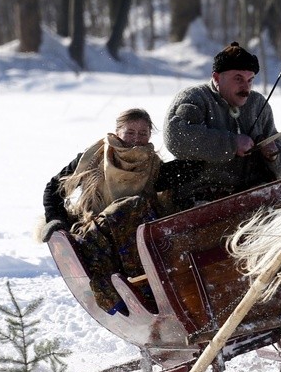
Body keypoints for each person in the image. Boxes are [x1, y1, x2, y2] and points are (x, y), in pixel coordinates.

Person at [40, 108, 197, 314]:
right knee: (132, 205)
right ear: (117, 132)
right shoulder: (95, 157)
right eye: (130, 132)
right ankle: (137, 290)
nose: (136, 139)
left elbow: (177, 178)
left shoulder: (152, 164)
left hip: (137, 230)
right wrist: (55, 220)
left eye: (143, 133)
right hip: (99, 227)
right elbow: (54, 188)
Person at [163, 42, 281, 209]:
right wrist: (231, 144)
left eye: (250, 80)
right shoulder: (195, 98)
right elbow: (177, 138)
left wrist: (273, 155)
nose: (246, 87)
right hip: (199, 199)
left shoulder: (258, 104)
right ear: (216, 78)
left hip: (252, 196)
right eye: (238, 79)